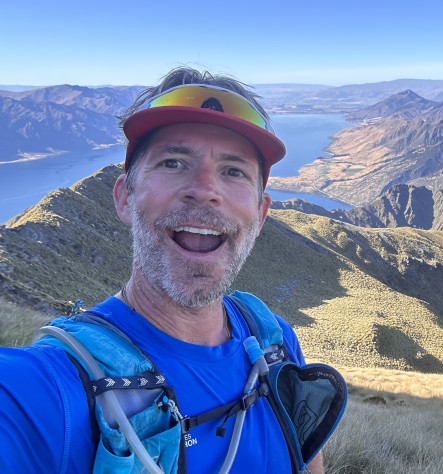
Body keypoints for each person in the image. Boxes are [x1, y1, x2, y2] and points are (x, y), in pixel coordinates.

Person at [0, 67, 336, 473]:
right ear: (125, 197)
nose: (205, 189)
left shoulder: (275, 341)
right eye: (174, 162)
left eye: (234, 171)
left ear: (261, 215)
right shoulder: (52, 389)